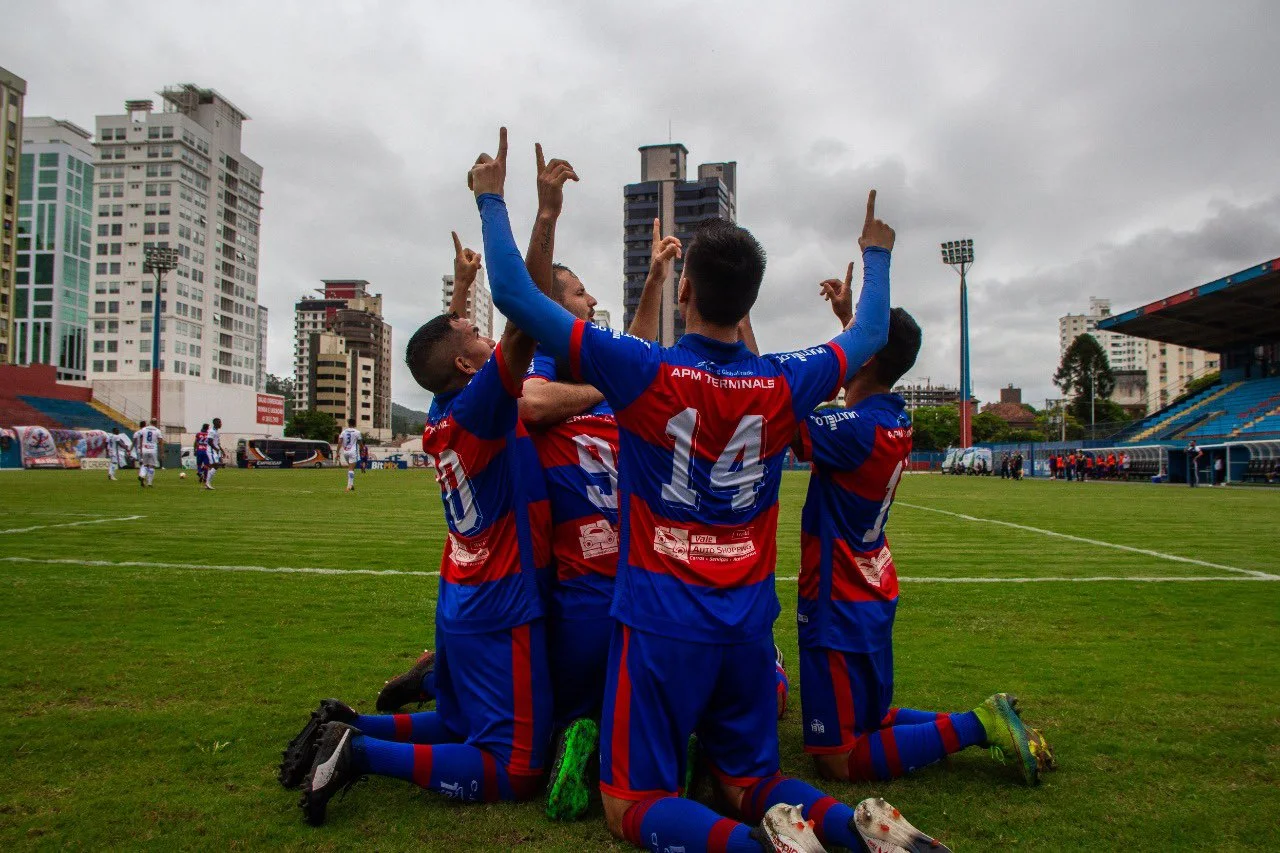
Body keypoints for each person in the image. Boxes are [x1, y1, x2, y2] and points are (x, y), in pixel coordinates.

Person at [470, 128, 943, 853]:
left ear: (684, 290)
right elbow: (872, 327)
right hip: (748, 624)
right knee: (748, 778)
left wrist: (491, 199)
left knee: (632, 801)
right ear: (748, 298)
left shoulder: (643, 369)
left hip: (661, 623)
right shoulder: (790, 375)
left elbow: (510, 293)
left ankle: (765, 848)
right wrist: (875, 250)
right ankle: (858, 826)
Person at [282, 185, 563, 826]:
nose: (489, 336)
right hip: (502, 602)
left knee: (463, 721)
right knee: (514, 766)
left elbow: (443, 349)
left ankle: (350, 723)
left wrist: (460, 295)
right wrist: (509, 205)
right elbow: (527, 309)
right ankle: (359, 755)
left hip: (462, 593)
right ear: (470, 364)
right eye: (475, 333)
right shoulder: (483, 405)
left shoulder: (445, 404)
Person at [795, 274, 1053, 793]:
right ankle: (984, 721)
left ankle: (979, 724)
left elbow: (776, 406)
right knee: (872, 719)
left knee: (839, 759)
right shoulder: (891, 417)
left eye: (857, 341)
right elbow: (866, 374)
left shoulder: (854, 429)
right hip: (870, 584)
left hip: (838, 596)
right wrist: (852, 325)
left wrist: (827, 348)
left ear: (865, 357)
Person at [134, 418, 163, 487]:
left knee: (145, 464)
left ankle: (142, 475)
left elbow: (141, 438)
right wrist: (162, 452)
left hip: (145, 449)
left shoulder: (144, 429)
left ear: (150, 422)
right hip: (153, 450)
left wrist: (141, 449)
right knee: (152, 466)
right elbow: (160, 442)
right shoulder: (157, 431)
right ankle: (149, 483)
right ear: (156, 423)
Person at [338, 419, 362, 492]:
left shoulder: (343, 432)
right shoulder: (357, 432)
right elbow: (360, 442)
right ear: (355, 424)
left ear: (348, 424)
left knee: (351, 468)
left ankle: (352, 485)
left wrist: (337, 452)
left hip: (345, 452)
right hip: (353, 452)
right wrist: (362, 448)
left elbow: (339, 442)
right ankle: (348, 486)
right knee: (351, 469)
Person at [206, 417, 224, 490]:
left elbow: (217, 443)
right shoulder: (211, 431)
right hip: (211, 451)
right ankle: (207, 483)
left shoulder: (217, 432)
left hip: (216, 451)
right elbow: (209, 442)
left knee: (215, 466)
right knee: (216, 465)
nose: (221, 424)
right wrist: (215, 449)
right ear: (215, 423)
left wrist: (222, 450)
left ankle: (207, 482)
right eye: (220, 422)